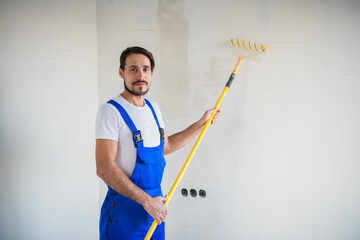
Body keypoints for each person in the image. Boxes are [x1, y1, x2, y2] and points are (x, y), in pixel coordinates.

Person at [95, 46, 220, 240]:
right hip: (124, 213)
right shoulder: (110, 111)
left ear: (151, 73)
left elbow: (166, 147)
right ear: (122, 72)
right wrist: (146, 201)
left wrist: (201, 123)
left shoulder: (154, 108)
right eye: (133, 69)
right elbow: (104, 168)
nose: (140, 75)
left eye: (145, 69)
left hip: (155, 210)